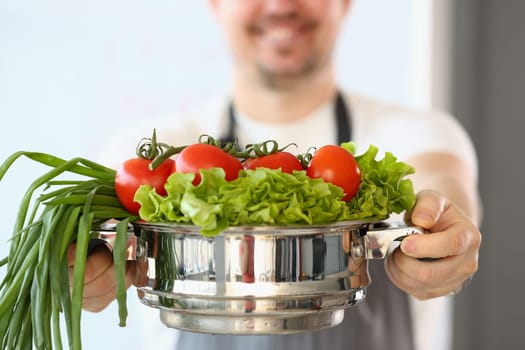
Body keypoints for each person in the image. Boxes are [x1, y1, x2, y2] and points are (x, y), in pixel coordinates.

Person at [71, 1, 482, 349]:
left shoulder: (418, 133)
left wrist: (443, 231)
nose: (282, 5)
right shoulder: (153, 152)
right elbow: (96, 232)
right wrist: (83, 266)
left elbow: (443, 181)